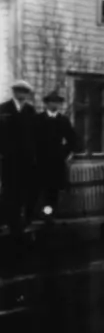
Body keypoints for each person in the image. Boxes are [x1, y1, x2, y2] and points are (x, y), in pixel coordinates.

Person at [0, 79, 40, 237]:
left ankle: (23, 221)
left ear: (27, 94)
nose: (21, 94)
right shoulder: (3, 109)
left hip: (27, 160)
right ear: (14, 92)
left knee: (26, 190)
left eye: (24, 92)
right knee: (9, 191)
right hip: (9, 159)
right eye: (18, 91)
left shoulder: (30, 111)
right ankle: (11, 223)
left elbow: (36, 135)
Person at [37, 90, 77, 219]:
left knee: (52, 192)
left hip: (56, 163)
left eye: (58, 102)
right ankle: (33, 217)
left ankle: (49, 217)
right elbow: (31, 139)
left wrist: (63, 152)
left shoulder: (63, 120)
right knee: (37, 190)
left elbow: (73, 140)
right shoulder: (38, 119)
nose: (55, 105)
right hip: (39, 162)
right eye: (52, 102)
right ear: (46, 103)